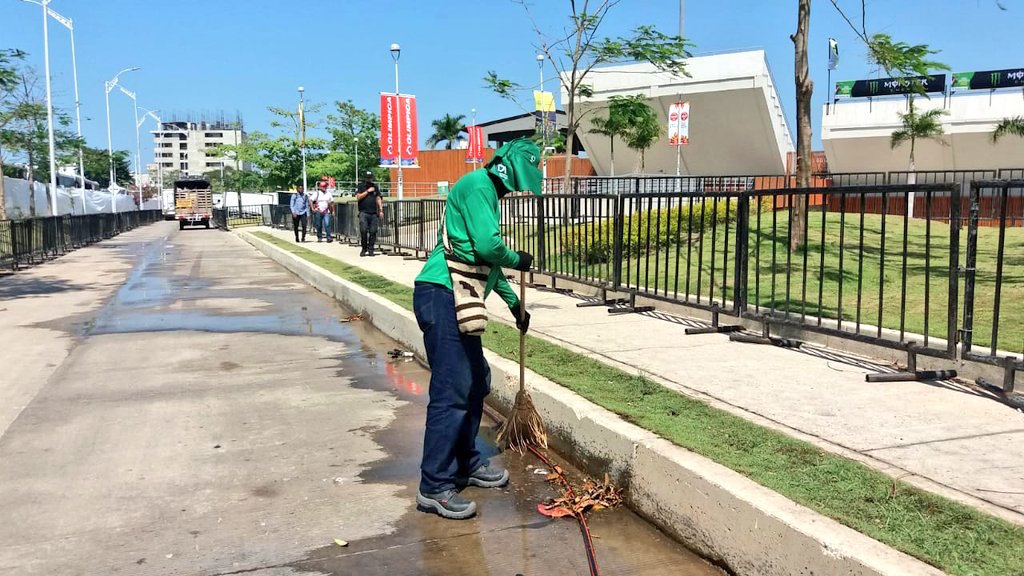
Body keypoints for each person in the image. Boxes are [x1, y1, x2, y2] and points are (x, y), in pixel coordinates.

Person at [412, 138, 541, 520]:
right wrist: (519, 257)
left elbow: (487, 266)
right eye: (523, 177)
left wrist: (514, 303)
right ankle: (434, 485)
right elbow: (488, 247)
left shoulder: (487, 192)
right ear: (510, 167)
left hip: (456, 294)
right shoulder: (477, 185)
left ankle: (466, 461)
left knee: (477, 382)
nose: (519, 187)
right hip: (440, 293)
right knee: (451, 391)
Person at [355, 171, 383, 256]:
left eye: (370, 177)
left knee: (373, 231)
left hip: (373, 213)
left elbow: (378, 198)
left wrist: (381, 210)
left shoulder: (375, 186)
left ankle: (371, 249)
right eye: (367, 177)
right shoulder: (360, 186)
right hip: (363, 212)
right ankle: (364, 248)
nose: (369, 179)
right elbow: (358, 197)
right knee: (363, 230)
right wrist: (368, 191)